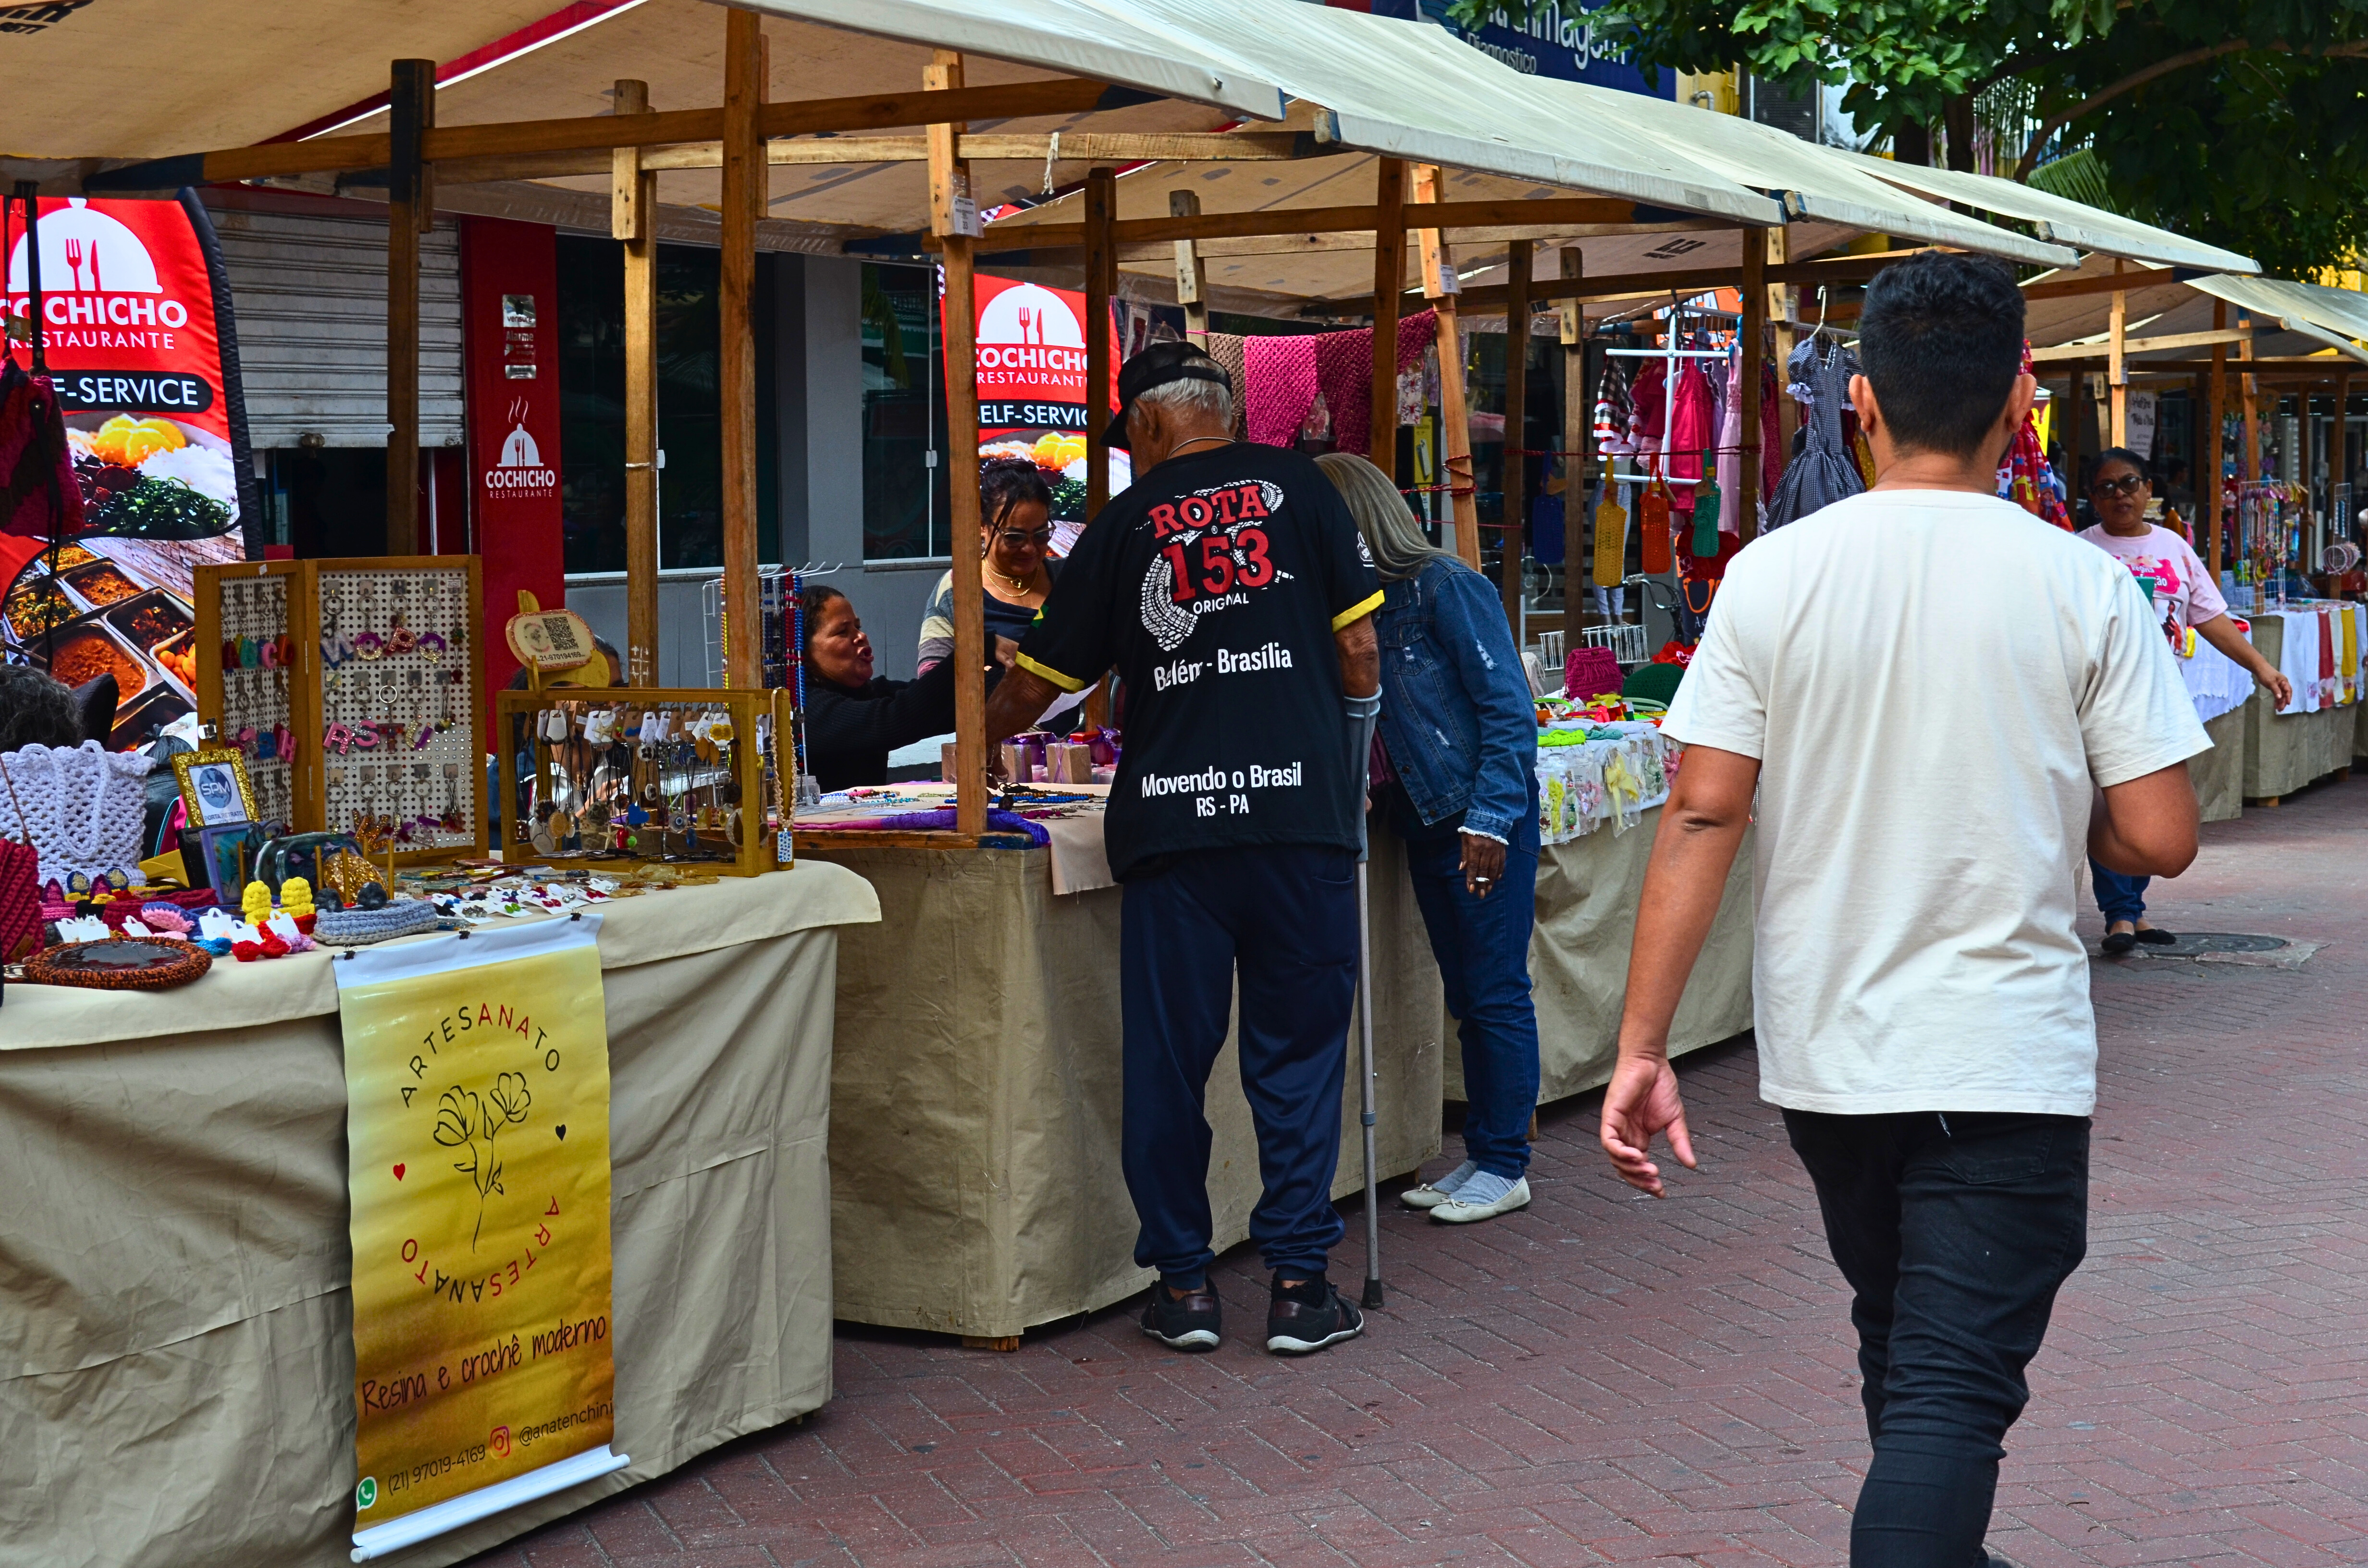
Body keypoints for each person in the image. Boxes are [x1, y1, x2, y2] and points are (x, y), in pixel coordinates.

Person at [1600, 254, 2208, 1568]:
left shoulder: (1772, 574)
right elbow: (2160, 835)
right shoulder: (2082, 583)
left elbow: (1702, 812)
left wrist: (1643, 1047)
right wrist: (2064, 802)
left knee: (1910, 1350)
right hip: (2003, 1058)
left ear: (1861, 401)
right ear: (2022, 402)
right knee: (1945, 1393)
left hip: (1833, 1064)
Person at [981, 341, 1382, 1357]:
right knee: (1296, 1058)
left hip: (1173, 830)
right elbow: (1359, 651)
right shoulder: (1302, 488)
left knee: (1167, 1063)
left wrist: (972, 742)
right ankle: (1298, 1288)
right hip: (1297, 824)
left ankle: (1186, 1287)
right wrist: (1331, 757)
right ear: (1223, 411)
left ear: (1151, 423)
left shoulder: (1120, 527)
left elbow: (1036, 686)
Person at [1314, 452, 1542, 1225]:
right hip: (1429, 817)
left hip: (1477, 818)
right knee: (1470, 991)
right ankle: (1486, 1154)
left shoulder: (1443, 587)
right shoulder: (1356, 604)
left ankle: (1505, 1163)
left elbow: (1510, 712)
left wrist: (1490, 820)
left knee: (1494, 990)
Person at [2078, 445, 2291, 953]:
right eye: (2106, 487)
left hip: (2161, 701)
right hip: (2101, 703)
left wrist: (2261, 667)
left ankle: (2134, 910)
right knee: (2112, 805)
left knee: (2149, 808)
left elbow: (2210, 617)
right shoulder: (2079, 551)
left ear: (2149, 489)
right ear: (2092, 498)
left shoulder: (2173, 547)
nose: (2119, 495)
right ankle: (2119, 914)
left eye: (2129, 483)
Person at [802, 583, 1001, 793]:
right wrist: (973, 652)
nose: (861, 636)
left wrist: (1017, 666)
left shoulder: (869, 693)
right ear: (803, 651)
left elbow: (950, 705)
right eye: (843, 632)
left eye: (858, 627)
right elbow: (898, 719)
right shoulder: (801, 711)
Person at [917, 457, 1066, 669]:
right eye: (1015, 537)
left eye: (1041, 534)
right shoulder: (958, 589)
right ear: (982, 525)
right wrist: (983, 657)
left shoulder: (1067, 578)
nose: (1030, 548)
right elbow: (930, 674)